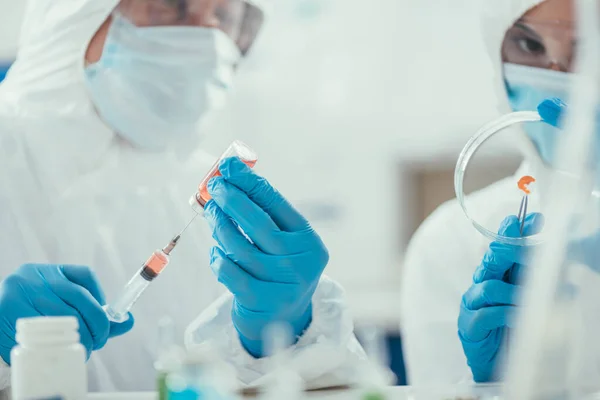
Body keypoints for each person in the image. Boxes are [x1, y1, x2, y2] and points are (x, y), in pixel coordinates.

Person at [0, 0, 366, 391]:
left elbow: (352, 390)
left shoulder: (206, 188)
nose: (207, 37)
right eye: (173, 8)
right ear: (78, 17)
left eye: (223, 17)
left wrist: (285, 337)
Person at [398, 0, 579, 385]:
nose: (555, 72)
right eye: (529, 46)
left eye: (587, 48)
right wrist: (492, 387)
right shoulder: (452, 242)